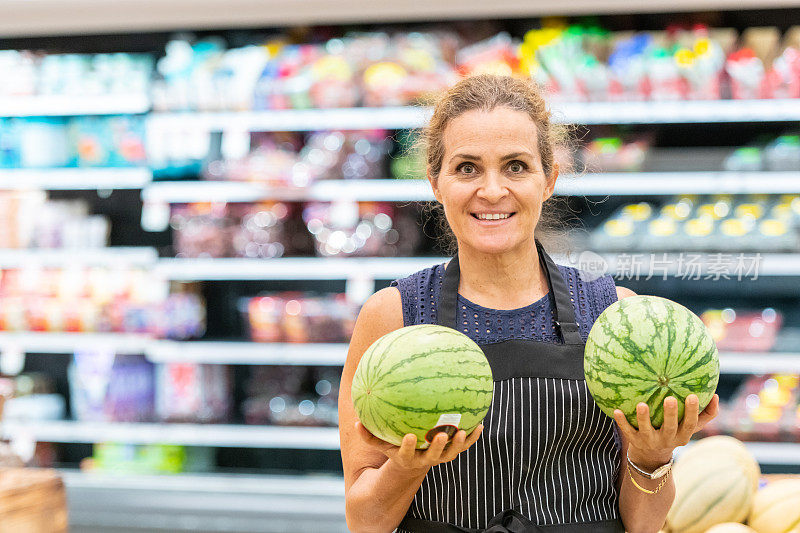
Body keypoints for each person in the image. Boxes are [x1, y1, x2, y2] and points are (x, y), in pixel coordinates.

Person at [338, 74, 719, 533]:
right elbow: (364, 522)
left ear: (549, 179)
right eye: (467, 168)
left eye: (516, 166)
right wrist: (407, 467)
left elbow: (642, 527)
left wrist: (652, 457)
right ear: (436, 183)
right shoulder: (394, 315)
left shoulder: (614, 315)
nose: (493, 190)